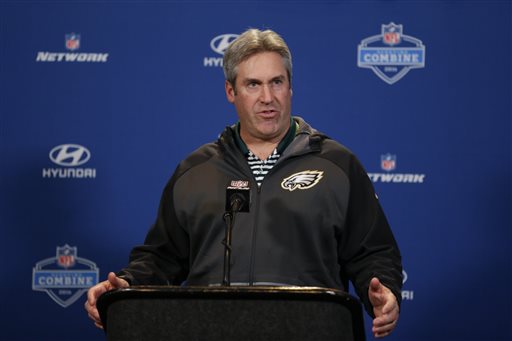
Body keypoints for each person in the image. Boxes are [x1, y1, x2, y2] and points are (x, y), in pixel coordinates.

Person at [85, 28, 403, 338]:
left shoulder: (338, 165)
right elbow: (162, 257)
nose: (268, 98)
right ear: (230, 91)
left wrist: (384, 290)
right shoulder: (195, 170)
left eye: (276, 82)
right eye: (253, 84)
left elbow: (372, 252)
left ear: (290, 87)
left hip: (311, 329)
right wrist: (126, 285)